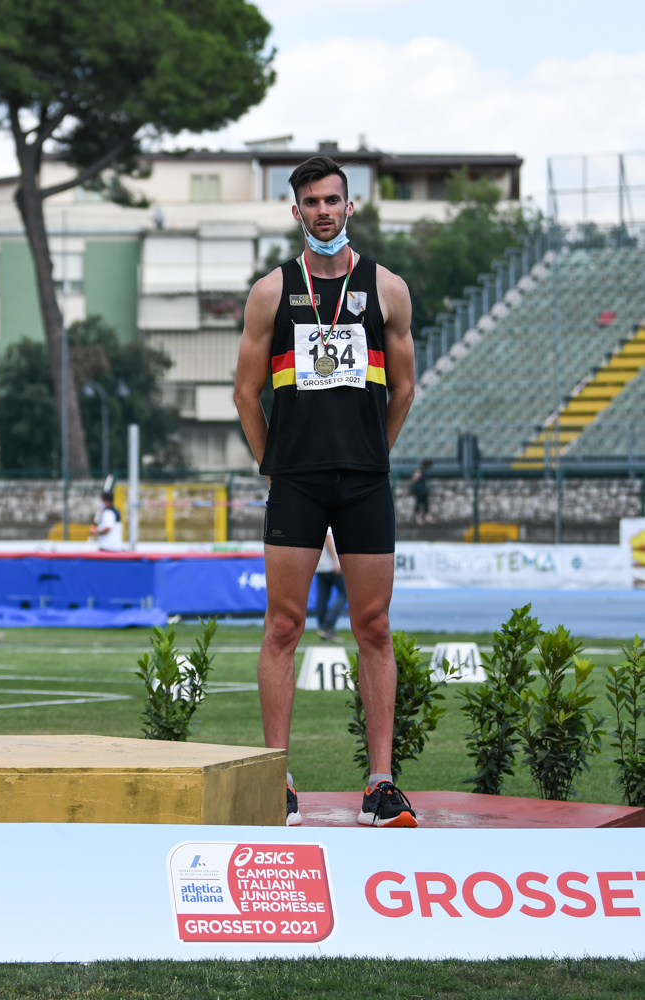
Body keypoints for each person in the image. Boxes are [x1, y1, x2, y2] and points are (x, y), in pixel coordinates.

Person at [232, 155, 418, 828]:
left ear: (350, 205)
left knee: (375, 627)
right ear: (296, 212)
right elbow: (245, 393)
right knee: (283, 626)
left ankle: (381, 784)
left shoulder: (387, 288)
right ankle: (277, 779)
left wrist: (374, 453)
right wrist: (271, 463)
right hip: (298, 482)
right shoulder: (271, 292)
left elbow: (405, 389)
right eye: (311, 202)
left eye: (332, 200)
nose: (323, 211)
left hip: (364, 480)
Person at [312, 529, 346, 643]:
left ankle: (323, 629)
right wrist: (336, 561)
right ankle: (327, 625)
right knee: (345, 593)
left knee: (323, 598)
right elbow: (328, 538)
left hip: (320, 566)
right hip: (330, 565)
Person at [410, 458, 433, 524]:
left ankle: (426, 516)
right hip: (419, 490)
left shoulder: (422, 471)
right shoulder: (420, 471)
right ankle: (418, 517)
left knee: (425, 503)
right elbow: (415, 479)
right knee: (419, 503)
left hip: (423, 490)